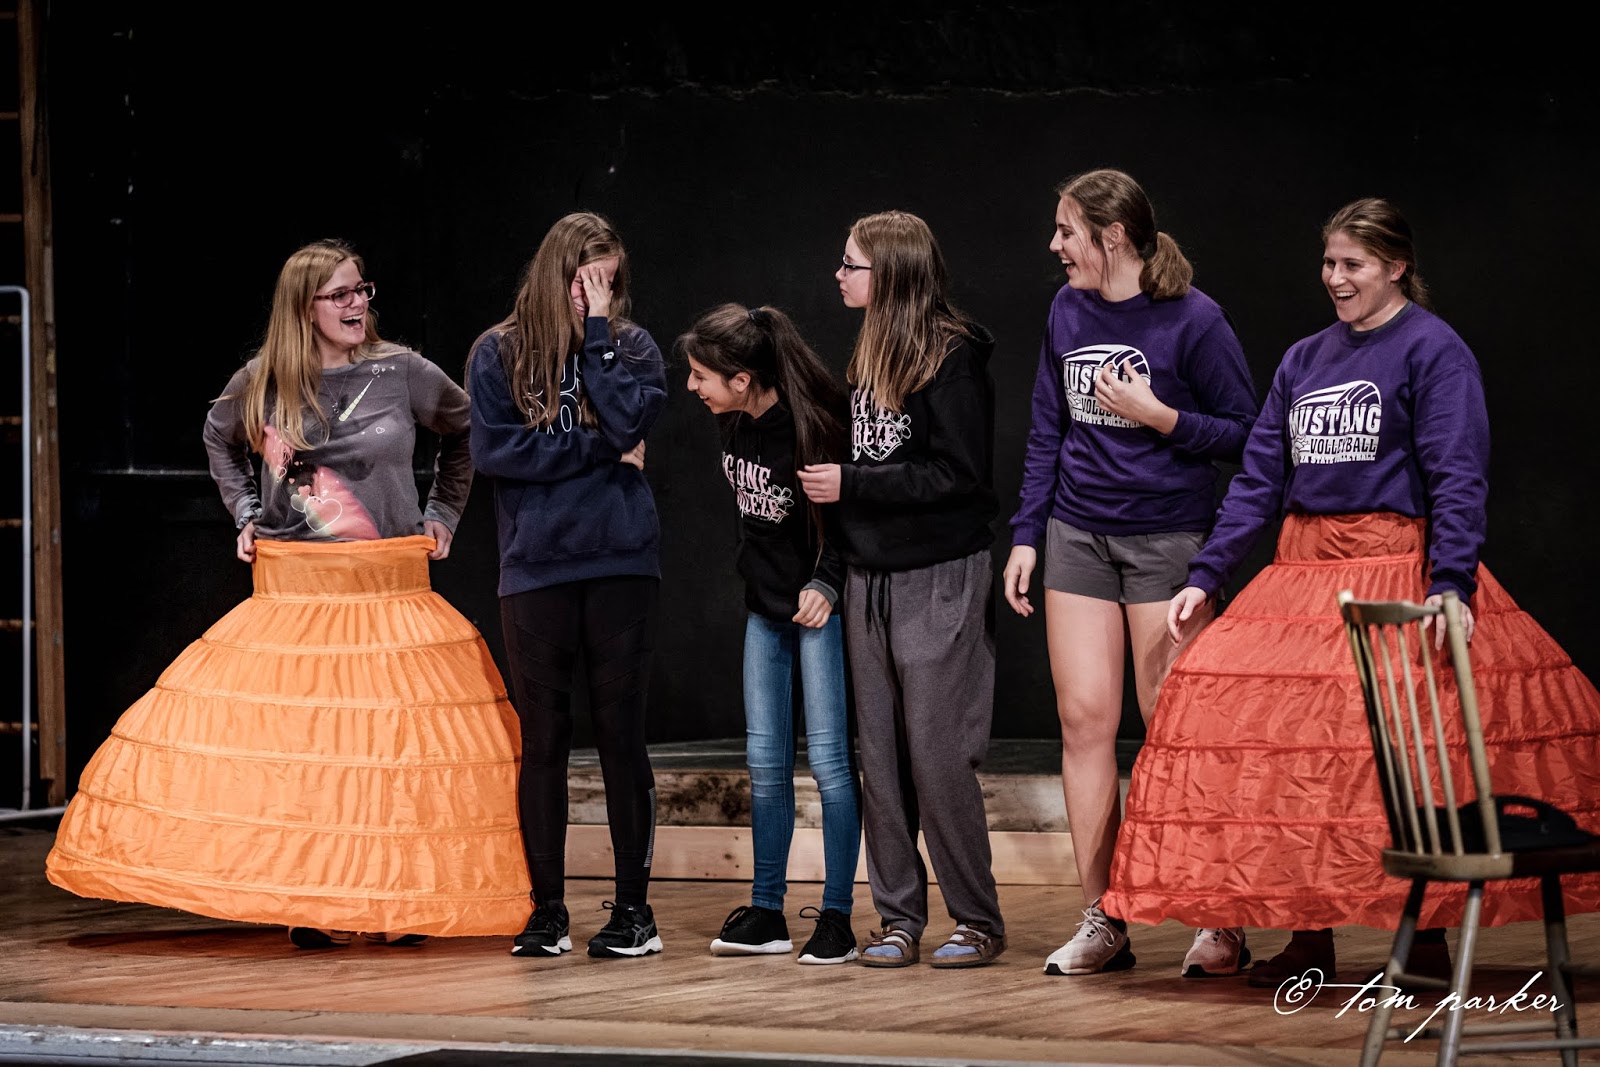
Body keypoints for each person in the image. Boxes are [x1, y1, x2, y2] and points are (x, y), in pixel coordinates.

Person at [1101, 198, 1600, 986]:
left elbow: (1456, 473)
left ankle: (1424, 933)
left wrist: (1450, 582)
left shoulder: (1433, 350)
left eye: (1352, 264)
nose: (1335, 277)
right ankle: (1310, 931)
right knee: (1298, 752)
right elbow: (1260, 477)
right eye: (1329, 262)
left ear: (1396, 266)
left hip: (1393, 563)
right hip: (1303, 574)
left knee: (1403, 751)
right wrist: (1207, 574)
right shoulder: (1305, 359)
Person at [46, 238, 529, 946]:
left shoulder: (402, 371)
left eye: (362, 290)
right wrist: (245, 510)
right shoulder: (266, 378)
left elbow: (465, 433)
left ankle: (397, 901)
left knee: (389, 752)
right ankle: (317, 901)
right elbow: (218, 437)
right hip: (296, 591)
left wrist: (444, 512)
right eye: (341, 294)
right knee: (310, 750)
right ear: (305, 308)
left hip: (387, 588)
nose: (357, 304)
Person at [1002, 169, 1259, 978]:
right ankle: (1102, 916)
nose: (1055, 245)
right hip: (1077, 533)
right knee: (1083, 722)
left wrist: (1162, 418)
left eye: (1066, 231)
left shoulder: (1195, 318)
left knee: (1175, 729)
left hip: (1167, 539)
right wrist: (1027, 533)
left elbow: (1248, 434)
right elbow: (1048, 425)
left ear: (1112, 236)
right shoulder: (1066, 309)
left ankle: (1217, 917)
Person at [797, 209, 1004, 968]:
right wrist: (840, 561)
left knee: (937, 755)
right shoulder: (868, 353)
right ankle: (897, 917)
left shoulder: (952, 355)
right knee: (879, 761)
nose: (840, 275)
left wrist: (854, 482)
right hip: (871, 580)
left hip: (938, 574)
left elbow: (960, 476)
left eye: (851, 264)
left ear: (890, 273)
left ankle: (976, 918)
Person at [468, 212, 669, 960]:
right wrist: (599, 450)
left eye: (608, 283)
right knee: (544, 739)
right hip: (536, 566)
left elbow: (628, 422)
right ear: (557, 275)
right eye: (586, 282)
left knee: (621, 735)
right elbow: (497, 452)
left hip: (620, 563)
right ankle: (547, 910)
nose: (595, 296)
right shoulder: (498, 351)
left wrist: (599, 337)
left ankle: (634, 913)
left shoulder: (632, 347)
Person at [680, 302, 863, 965]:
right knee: (765, 763)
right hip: (765, 611)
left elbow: (848, 521)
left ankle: (837, 916)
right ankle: (766, 910)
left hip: (817, 612)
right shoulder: (732, 423)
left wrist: (827, 584)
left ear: (742, 377)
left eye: (701, 375)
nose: (692, 387)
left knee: (831, 764)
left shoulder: (812, 427)